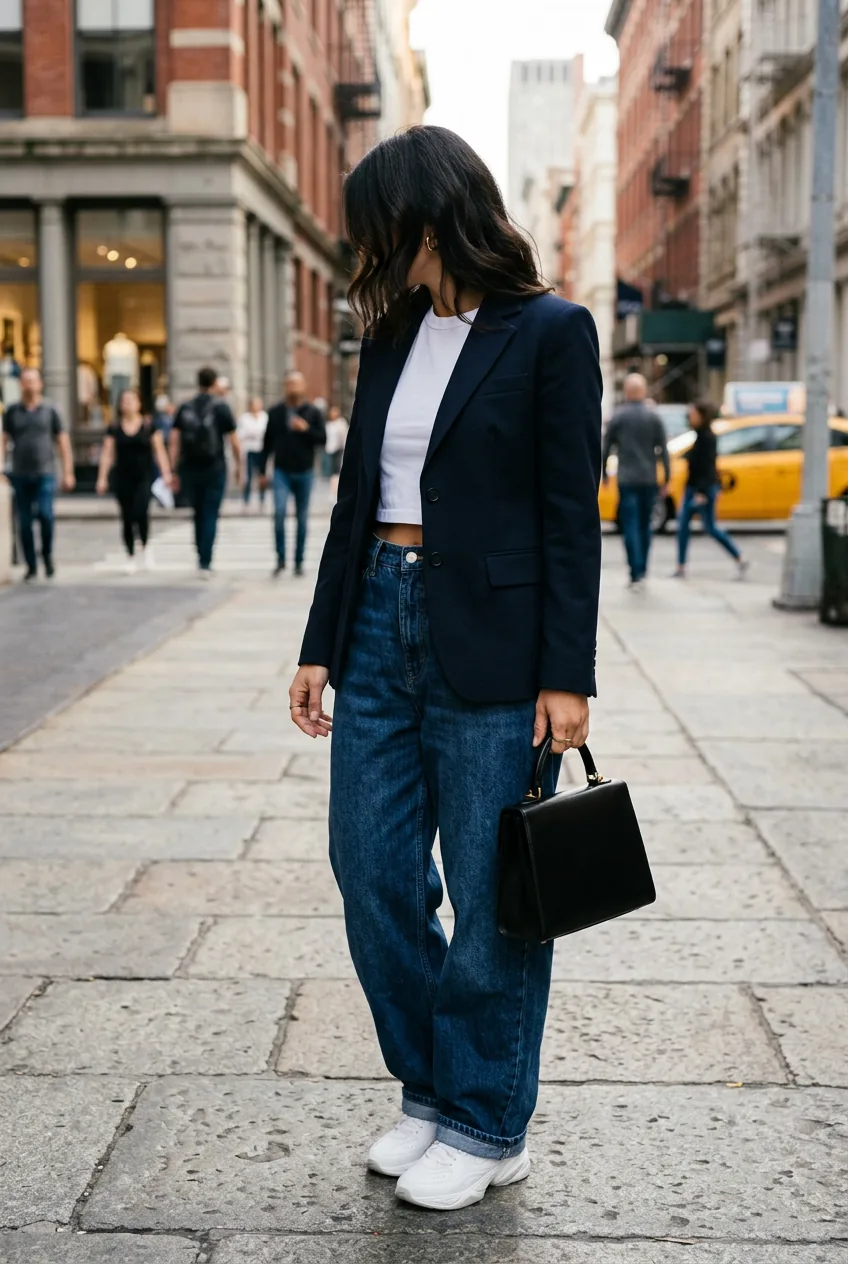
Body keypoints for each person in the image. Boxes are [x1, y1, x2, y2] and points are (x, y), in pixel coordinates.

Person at [288, 126, 602, 1211]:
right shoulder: (390, 335)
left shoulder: (551, 333)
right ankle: (430, 1087)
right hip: (379, 614)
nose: (365, 244)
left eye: (378, 222)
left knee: (490, 890)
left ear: (427, 217)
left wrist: (567, 673)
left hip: (496, 639)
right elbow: (353, 501)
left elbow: (569, 515)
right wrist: (320, 642)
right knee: (370, 871)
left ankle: (484, 1120)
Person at [1, 368, 75, 581]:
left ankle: (47, 555)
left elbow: (62, 442)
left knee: (46, 515)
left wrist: (68, 471)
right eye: (26, 381)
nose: (30, 385)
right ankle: (31, 565)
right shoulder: (13, 411)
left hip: (45, 472)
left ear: (40, 384)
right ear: (21, 385)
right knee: (23, 522)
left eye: (33, 381)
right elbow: (3, 440)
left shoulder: (50, 410)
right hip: (20, 473)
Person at [169, 367, 242, 578]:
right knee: (210, 513)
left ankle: (200, 554)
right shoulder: (221, 407)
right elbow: (234, 442)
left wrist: (173, 470)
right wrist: (239, 467)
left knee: (198, 513)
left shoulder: (185, 407)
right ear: (214, 383)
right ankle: (205, 561)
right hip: (215, 466)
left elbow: (174, 440)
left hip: (189, 467)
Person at [602, 373, 670, 589]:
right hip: (649, 478)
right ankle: (643, 569)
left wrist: (603, 474)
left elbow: (606, 447)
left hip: (627, 478)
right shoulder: (653, 416)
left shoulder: (619, 416)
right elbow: (663, 450)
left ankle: (634, 572)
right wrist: (666, 477)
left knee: (630, 525)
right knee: (645, 525)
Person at [95, 388, 173, 573]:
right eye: (124, 400)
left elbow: (159, 451)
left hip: (143, 477)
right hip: (122, 477)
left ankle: (146, 547)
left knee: (141, 512)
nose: (128, 404)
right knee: (127, 516)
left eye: (132, 400)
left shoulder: (148, 426)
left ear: (139, 403)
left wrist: (166, 473)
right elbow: (107, 454)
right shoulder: (114, 428)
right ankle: (130, 554)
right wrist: (102, 477)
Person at [674, 400, 748, 579]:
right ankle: (681, 566)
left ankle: (739, 557)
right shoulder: (700, 435)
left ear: (701, 416)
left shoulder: (707, 437)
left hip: (702, 489)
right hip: (697, 488)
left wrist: (701, 492)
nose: (689, 418)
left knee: (708, 527)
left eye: (692, 414)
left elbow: (707, 466)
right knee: (689, 526)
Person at [260, 371, 325, 576]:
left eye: (296, 383)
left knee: (302, 518)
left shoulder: (312, 411)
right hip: (281, 471)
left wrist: (305, 429)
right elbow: (267, 442)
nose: (292, 387)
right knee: (279, 513)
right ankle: (280, 559)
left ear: (303, 386)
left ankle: (298, 561)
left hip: (305, 471)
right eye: (289, 383)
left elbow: (322, 439)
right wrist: (262, 471)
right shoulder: (276, 411)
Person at [237, 396, 269, 510]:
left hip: (262, 449)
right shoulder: (244, 418)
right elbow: (241, 434)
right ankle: (246, 501)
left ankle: (262, 500)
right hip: (249, 449)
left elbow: (267, 434)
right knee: (248, 477)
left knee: (262, 476)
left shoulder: (265, 417)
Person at [322, 404, 349, 500]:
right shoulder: (328, 424)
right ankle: (332, 491)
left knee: (336, 472)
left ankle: (334, 492)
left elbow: (344, 436)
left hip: (338, 449)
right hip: (329, 449)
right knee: (329, 472)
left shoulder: (341, 423)